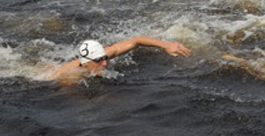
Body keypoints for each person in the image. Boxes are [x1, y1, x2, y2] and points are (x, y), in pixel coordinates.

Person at [50, 37, 190, 85]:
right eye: (99, 61)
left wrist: (166, 45)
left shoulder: (103, 55)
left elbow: (135, 41)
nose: (105, 63)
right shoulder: (71, 76)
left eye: (105, 59)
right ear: (86, 61)